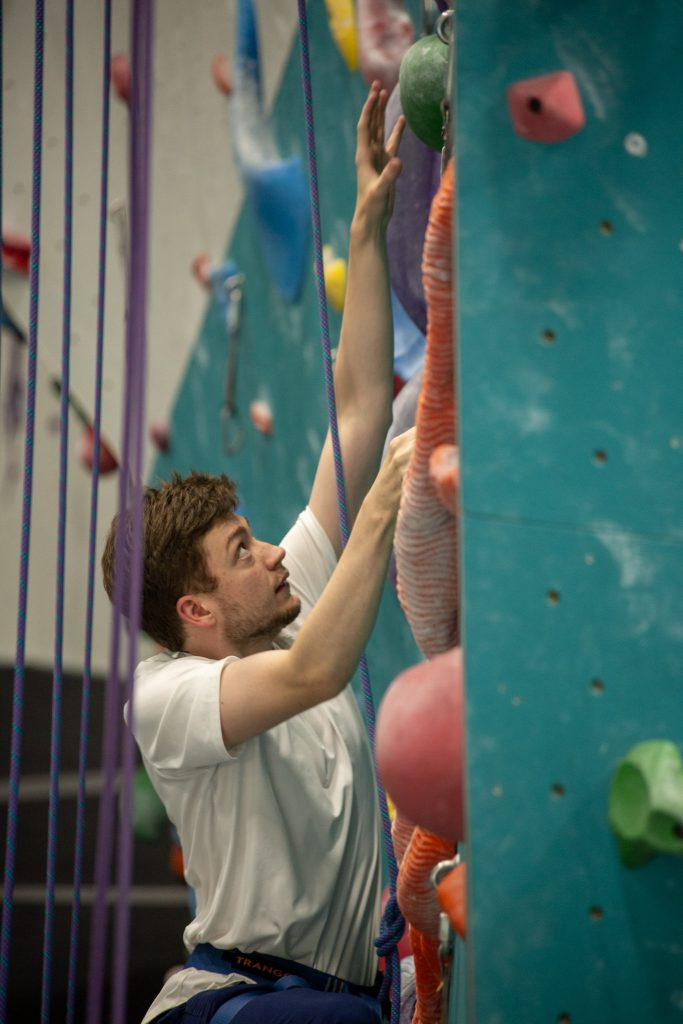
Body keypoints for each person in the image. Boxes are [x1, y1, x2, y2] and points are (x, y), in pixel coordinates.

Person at [102, 82, 411, 1024]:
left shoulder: (285, 606)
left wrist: (366, 222)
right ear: (193, 610)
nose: (275, 555)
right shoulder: (166, 698)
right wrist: (388, 500)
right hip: (238, 1001)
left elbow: (357, 411)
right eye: (242, 551)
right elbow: (321, 671)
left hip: (348, 998)